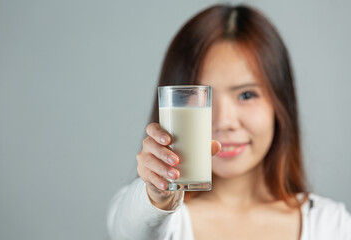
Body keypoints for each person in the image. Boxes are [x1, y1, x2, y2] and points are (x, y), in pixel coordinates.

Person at [107, 4, 351, 240]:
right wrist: (157, 194)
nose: (224, 122)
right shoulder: (159, 217)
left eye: (246, 95)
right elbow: (130, 230)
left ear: (280, 104)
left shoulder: (332, 225)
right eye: (201, 98)